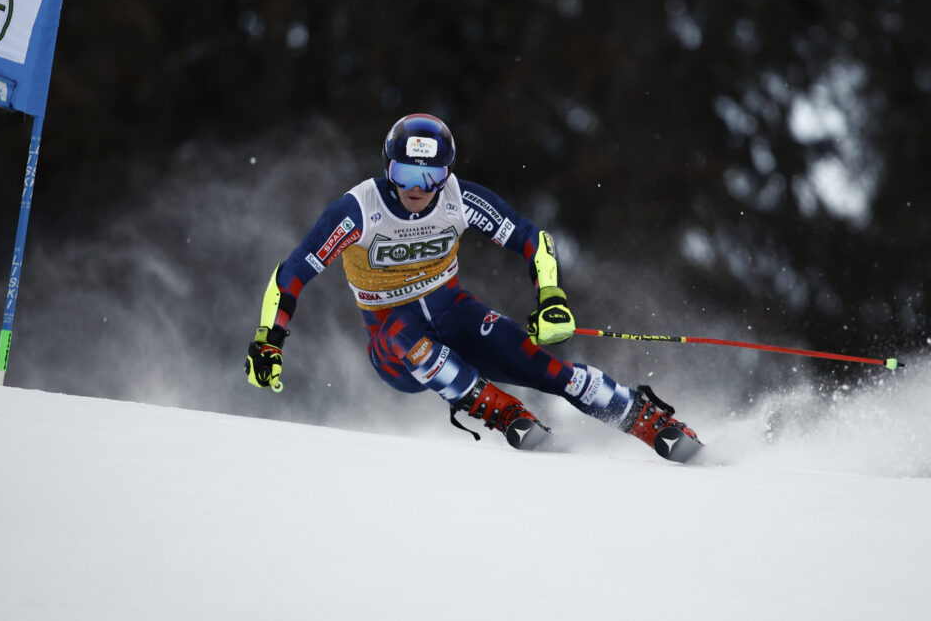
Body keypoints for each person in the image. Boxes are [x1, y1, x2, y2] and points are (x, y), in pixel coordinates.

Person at [245, 113, 703, 462]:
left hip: (455, 313)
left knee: (545, 366)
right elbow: (292, 274)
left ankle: (641, 418)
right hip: (393, 337)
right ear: (388, 168)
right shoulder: (360, 209)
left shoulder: (459, 198)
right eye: (405, 175)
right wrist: (270, 339)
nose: (417, 189)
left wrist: (551, 299)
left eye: (430, 176)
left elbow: (534, 240)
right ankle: (501, 409)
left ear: (446, 172)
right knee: (407, 339)